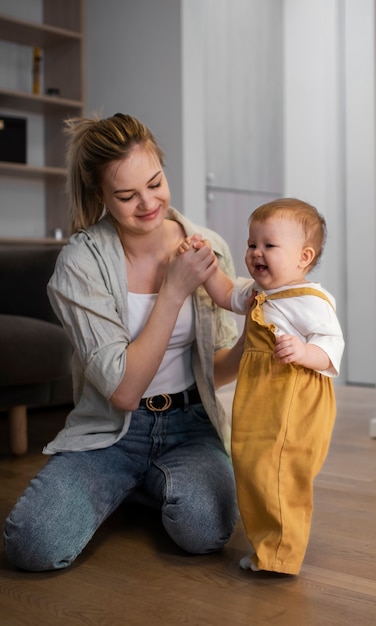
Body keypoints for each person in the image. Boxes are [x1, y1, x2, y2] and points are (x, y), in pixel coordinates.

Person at [3, 112, 245, 572]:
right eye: (127, 195)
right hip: (112, 431)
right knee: (31, 545)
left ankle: (145, 485)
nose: (148, 204)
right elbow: (124, 391)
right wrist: (173, 291)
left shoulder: (207, 245)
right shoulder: (80, 264)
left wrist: (252, 343)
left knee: (205, 531)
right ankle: (130, 480)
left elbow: (213, 368)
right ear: (100, 196)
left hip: (191, 424)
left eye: (155, 183)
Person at [180, 198, 345, 575]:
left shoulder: (309, 301)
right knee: (251, 463)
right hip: (259, 397)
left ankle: (279, 556)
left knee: (280, 471)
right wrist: (205, 261)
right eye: (252, 244)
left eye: (269, 245)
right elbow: (223, 293)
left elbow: (332, 346)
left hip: (292, 399)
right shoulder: (258, 292)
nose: (256, 253)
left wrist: (305, 351)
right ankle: (268, 541)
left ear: (303, 257)